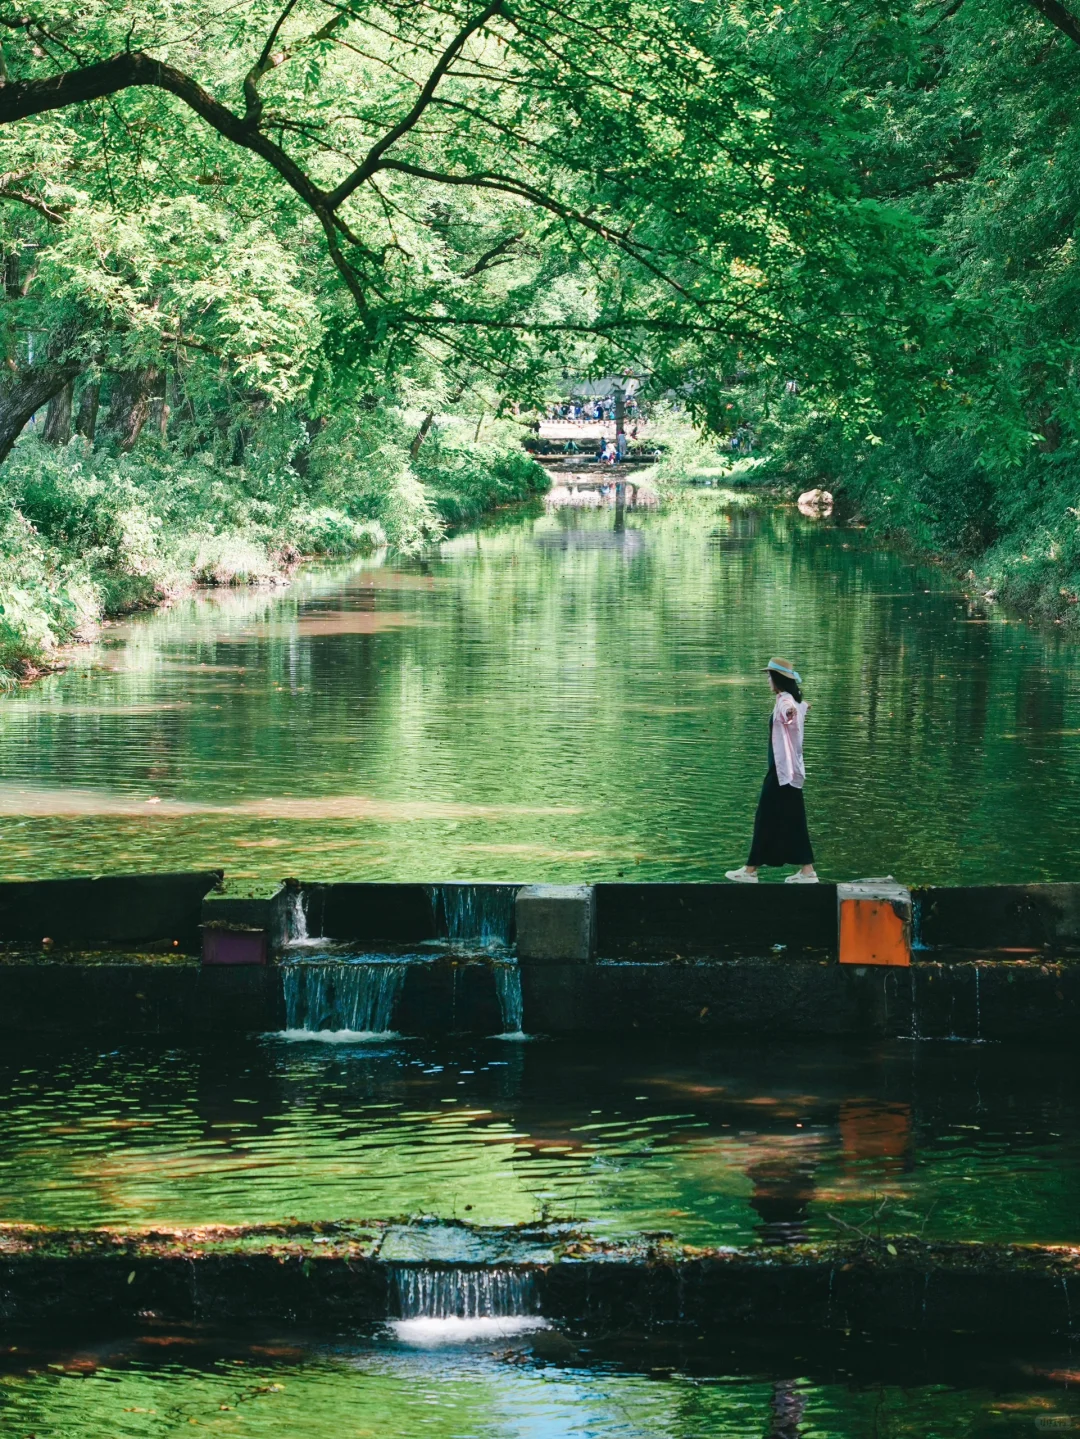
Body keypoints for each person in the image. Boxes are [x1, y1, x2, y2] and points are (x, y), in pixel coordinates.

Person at [726, 658, 818, 883]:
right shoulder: (793, 701)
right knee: (795, 818)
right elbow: (797, 710)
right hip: (790, 771)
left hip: (781, 771)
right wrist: (802, 708)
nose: (767, 680)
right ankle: (808, 871)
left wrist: (790, 712)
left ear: (777, 679)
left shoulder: (785, 701)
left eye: (769, 676)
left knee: (765, 816)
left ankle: (750, 871)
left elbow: (789, 713)